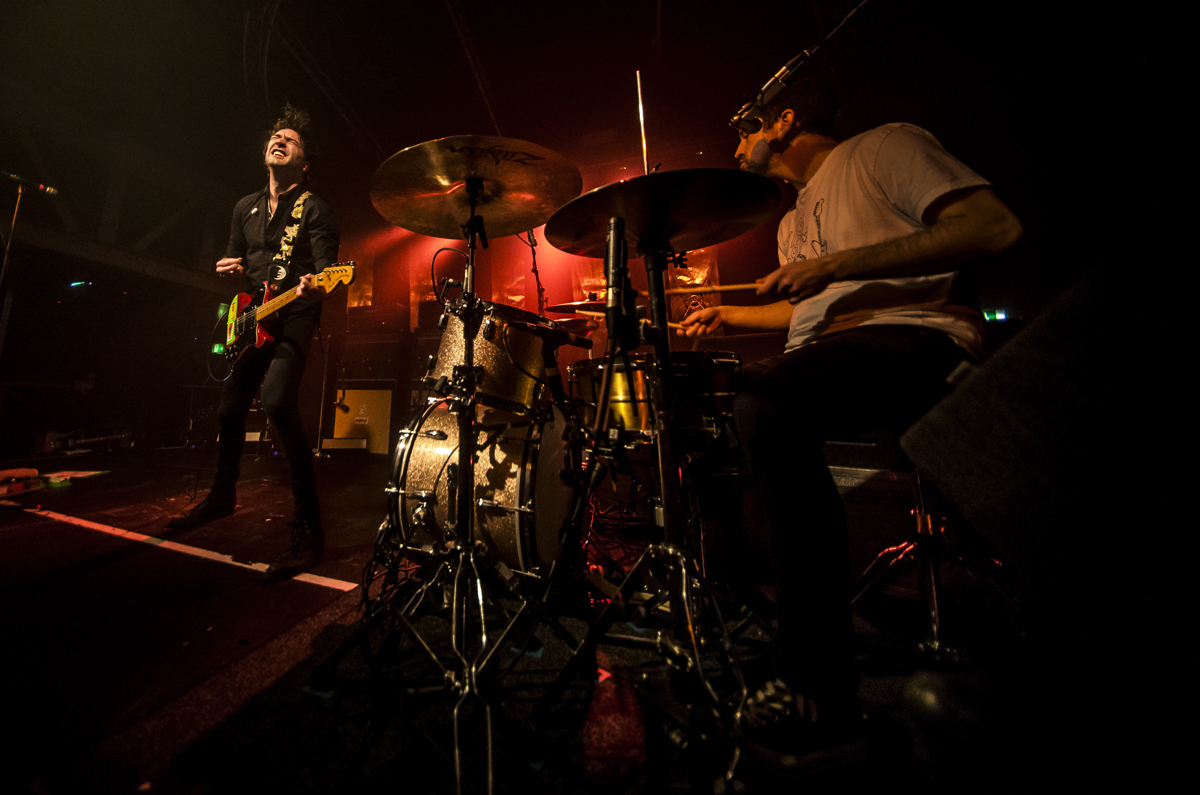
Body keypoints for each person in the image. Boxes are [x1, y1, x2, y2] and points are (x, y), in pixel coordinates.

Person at [679, 76, 1022, 771]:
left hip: (916, 338)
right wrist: (737, 315)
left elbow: (994, 226)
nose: (736, 141)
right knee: (714, 413)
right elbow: (813, 305)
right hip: (834, 351)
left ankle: (820, 689)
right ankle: (758, 614)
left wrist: (840, 264)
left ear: (784, 119)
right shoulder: (790, 219)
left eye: (746, 126)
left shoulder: (884, 147)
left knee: (767, 408)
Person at [168, 104, 340, 582]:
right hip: (252, 316)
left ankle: (309, 526)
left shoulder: (315, 207)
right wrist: (233, 270)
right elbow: (232, 262)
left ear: (304, 162)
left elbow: (329, 270)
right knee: (228, 409)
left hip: (296, 311)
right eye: (275, 137)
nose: (279, 141)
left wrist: (317, 283)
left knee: (279, 402)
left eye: (292, 140)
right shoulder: (244, 207)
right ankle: (222, 497)